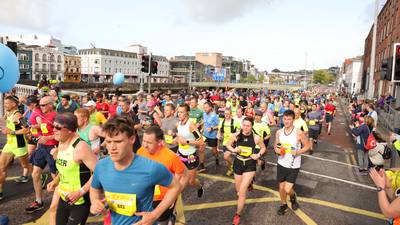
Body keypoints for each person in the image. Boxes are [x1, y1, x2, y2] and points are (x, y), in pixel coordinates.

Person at [90, 116, 182, 225]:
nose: (112, 148)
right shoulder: (101, 166)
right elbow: (94, 188)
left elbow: (176, 186)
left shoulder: (150, 168)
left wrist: (154, 215)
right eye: (108, 142)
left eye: (118, 141)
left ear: (132, 139)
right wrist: (95, 202)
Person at [46, 113, 98, 225]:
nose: (54, 130)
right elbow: (66, 168)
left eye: (58, 127)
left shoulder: (80, 147)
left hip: (79, 201)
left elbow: (99, 172)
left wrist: (80, 192)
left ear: (70, 130)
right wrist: (56, 180)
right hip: (64, 197)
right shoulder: (61, 141)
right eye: (53, 126)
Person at [137, 126, 189, 225]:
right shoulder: (141, 151)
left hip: (163, 199)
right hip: (146, 196)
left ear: (159, 142)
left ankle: (171, 217)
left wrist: (175, 195)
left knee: (161, 222)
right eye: (144, 141)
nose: (145, 145)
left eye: (149, 142)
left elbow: (185, 174)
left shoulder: (170, 157)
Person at [226, 117, 266, 225]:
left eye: (248, 126)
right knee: (238, 192)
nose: (245, 128)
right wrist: (234, 150)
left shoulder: (256, 138)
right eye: (244, 125)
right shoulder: (236, 135)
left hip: (250, 164)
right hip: (238, 163)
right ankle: (249, 183)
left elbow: (263, 148)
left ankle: (237, 214)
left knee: (242, 191)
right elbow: (228, 145)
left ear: (252, 126)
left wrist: (257, 155)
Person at [274, 110, 311, 215]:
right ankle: (283, 204)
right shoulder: (279, 132)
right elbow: (276, 145)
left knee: (287, 188)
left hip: (293, 165)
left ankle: (293, 196)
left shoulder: (298, 132)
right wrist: (277, 151)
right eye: (285, 119)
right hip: (281, 163)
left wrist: (298, 151)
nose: (287, 121)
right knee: (281, 187)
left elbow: (308, 146)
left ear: (293, 120)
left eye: (289, 119)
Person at [26, 96, 59, 213]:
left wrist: (48, 137)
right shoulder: (41, 115)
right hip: (42, 147)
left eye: (44, 105)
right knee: (35, 174)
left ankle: (61, 202)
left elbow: (64, 134)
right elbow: (42, 130)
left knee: (56, 177)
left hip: (53, 148)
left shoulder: (56, 116)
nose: (41, 107)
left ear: (51, 104)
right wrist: (33, 133)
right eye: (40, 105)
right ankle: (38, 201)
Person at [0, 96, 31, 200]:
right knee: (1, 168)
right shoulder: (9, 113)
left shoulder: (17, 115)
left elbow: (27, 129)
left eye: (7, 103)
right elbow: (4, 121)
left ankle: (39, 175)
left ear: (14, 104)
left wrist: (11, 132)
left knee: (25, 165)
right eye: (4, 103)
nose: (5, 105)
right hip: (9, 144)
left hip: (19, 144)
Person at [174, 104, 205, 198]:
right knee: (176, 179)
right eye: (178, 112)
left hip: (191, 157)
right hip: (180, 155)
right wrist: (176, 139)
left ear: (187, 113)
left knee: (191, 182)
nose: (179, 114)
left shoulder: (191, 125)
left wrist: (186, 141)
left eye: (181, 112)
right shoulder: (178, 124)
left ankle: (200, 187)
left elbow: (201, 141)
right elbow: (179, 137)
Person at [218, 108, 241, 176]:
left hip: (232, 142)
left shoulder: (235, 121)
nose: (226, 115)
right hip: (225, 142)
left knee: (226, 156)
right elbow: (219, 131)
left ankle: (233, 167)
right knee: (227, 158)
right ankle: (231, 169)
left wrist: (235, 135)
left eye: (228, 114)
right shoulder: (222, 122)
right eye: (225, 114)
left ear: (231, 114)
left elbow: (240, 130)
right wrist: (219, 135)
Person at [199, 101, 220, 172]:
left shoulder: (214, 116)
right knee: (201, 149)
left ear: (210, 108)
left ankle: (217, 157)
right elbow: (205, 122)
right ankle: (202, 164)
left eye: (206, 107)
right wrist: (201, 127)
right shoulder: (204, 114)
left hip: (212, 136)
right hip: (205, 135)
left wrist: (212, 128)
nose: (205, 109)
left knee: (214, 151)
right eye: (204, 107)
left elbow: (219, 126)